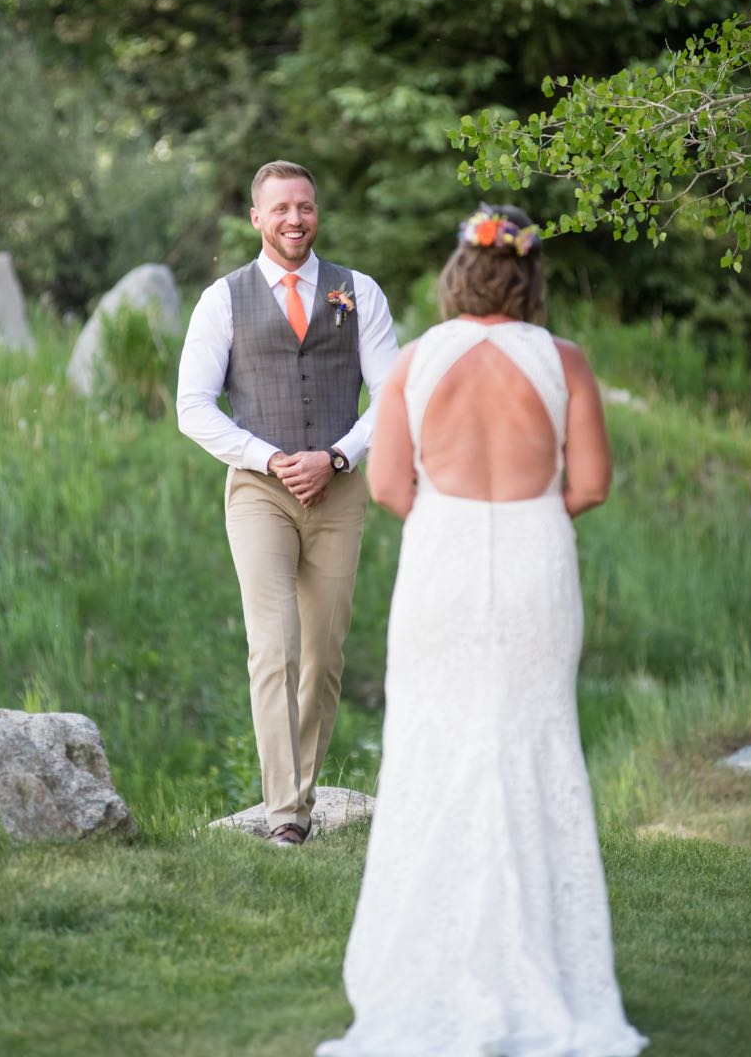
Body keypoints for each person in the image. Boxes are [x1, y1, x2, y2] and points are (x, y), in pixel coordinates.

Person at [317, 206, 647, 1055]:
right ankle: (542, 958)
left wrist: (459, 522)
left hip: (444, 560)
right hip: (537, 556)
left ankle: (433, 956)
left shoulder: (418, 363)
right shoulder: (564, 361)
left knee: (434, 742)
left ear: (459, 274)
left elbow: (390, 486)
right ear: (531, 277)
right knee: (534, 741)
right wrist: (531, 514)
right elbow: (595, 485)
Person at [176, 160, 399, 847]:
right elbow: (192, 407)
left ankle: (300, 794)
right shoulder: (223, 299)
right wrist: (270, 457)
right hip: (258, 495)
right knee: (274, 647)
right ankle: (286, 816)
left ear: (316, 212)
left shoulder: (358, 292)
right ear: (256, 218)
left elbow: (392, 397)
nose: (295, 219)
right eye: (281, 209)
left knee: (325, 654)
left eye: (305, 206)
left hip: (339, 493)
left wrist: (335, 458)